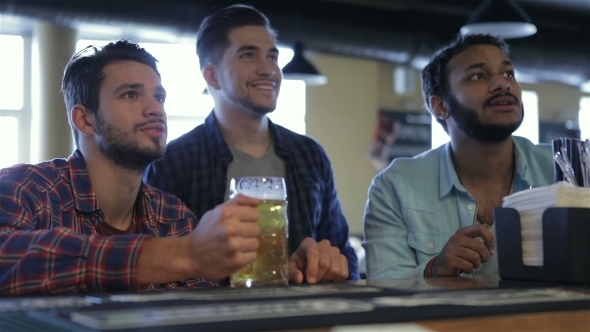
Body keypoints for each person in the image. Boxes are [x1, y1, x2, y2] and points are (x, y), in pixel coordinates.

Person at [0, 40, 262, 295]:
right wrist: (181, 255)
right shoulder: (26, 189)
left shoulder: (173, 215)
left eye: (159, 96)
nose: (155, 109)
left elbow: (199, 316)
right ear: (85, 119)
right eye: (130, 94)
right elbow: (5, 258)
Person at [144, 4, 359, 282]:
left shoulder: (309, 154)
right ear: (212, 75)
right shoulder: (174, 160)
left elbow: (343, 252)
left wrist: (334, 265)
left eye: (272, 57)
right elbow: (160, 270)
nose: (268, 69)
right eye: (248, 55)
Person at [363, 34, 554, 279]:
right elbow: (384, 285)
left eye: (508, 74)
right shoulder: (396, 186)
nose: (502, 84)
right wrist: (435, 270)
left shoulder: (564, 168)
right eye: (479, 76)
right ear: (441, 106)